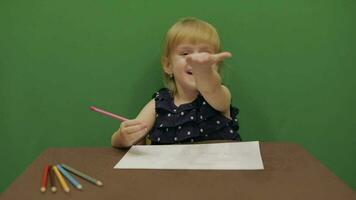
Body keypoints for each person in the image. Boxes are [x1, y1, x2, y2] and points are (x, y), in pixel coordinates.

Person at [111, 17, 241, 148]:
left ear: (216, 65)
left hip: (218, 167)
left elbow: (210, 89)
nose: (195, 59)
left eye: (205, 54)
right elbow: (125, 138)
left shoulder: (220, 95)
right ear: (168, 65)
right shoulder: (159, 103)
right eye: (185, 53)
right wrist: (122, 137)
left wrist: (204, 72)